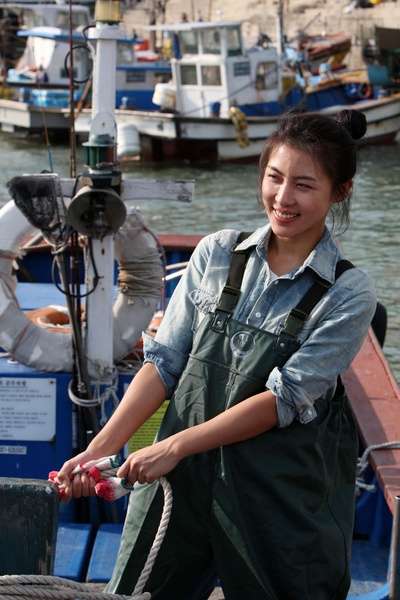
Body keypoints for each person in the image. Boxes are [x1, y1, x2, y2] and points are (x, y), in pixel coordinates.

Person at [56, 109, 377, 600]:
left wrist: (173, 447)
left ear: (341, 191)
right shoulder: (216, 254)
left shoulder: (348, 294)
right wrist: (100, 448)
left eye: (304, 185)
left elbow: (284, 398)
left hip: (276, 500)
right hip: (177, 486)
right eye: (274, 177)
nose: (283, 198)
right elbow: (164, 363)